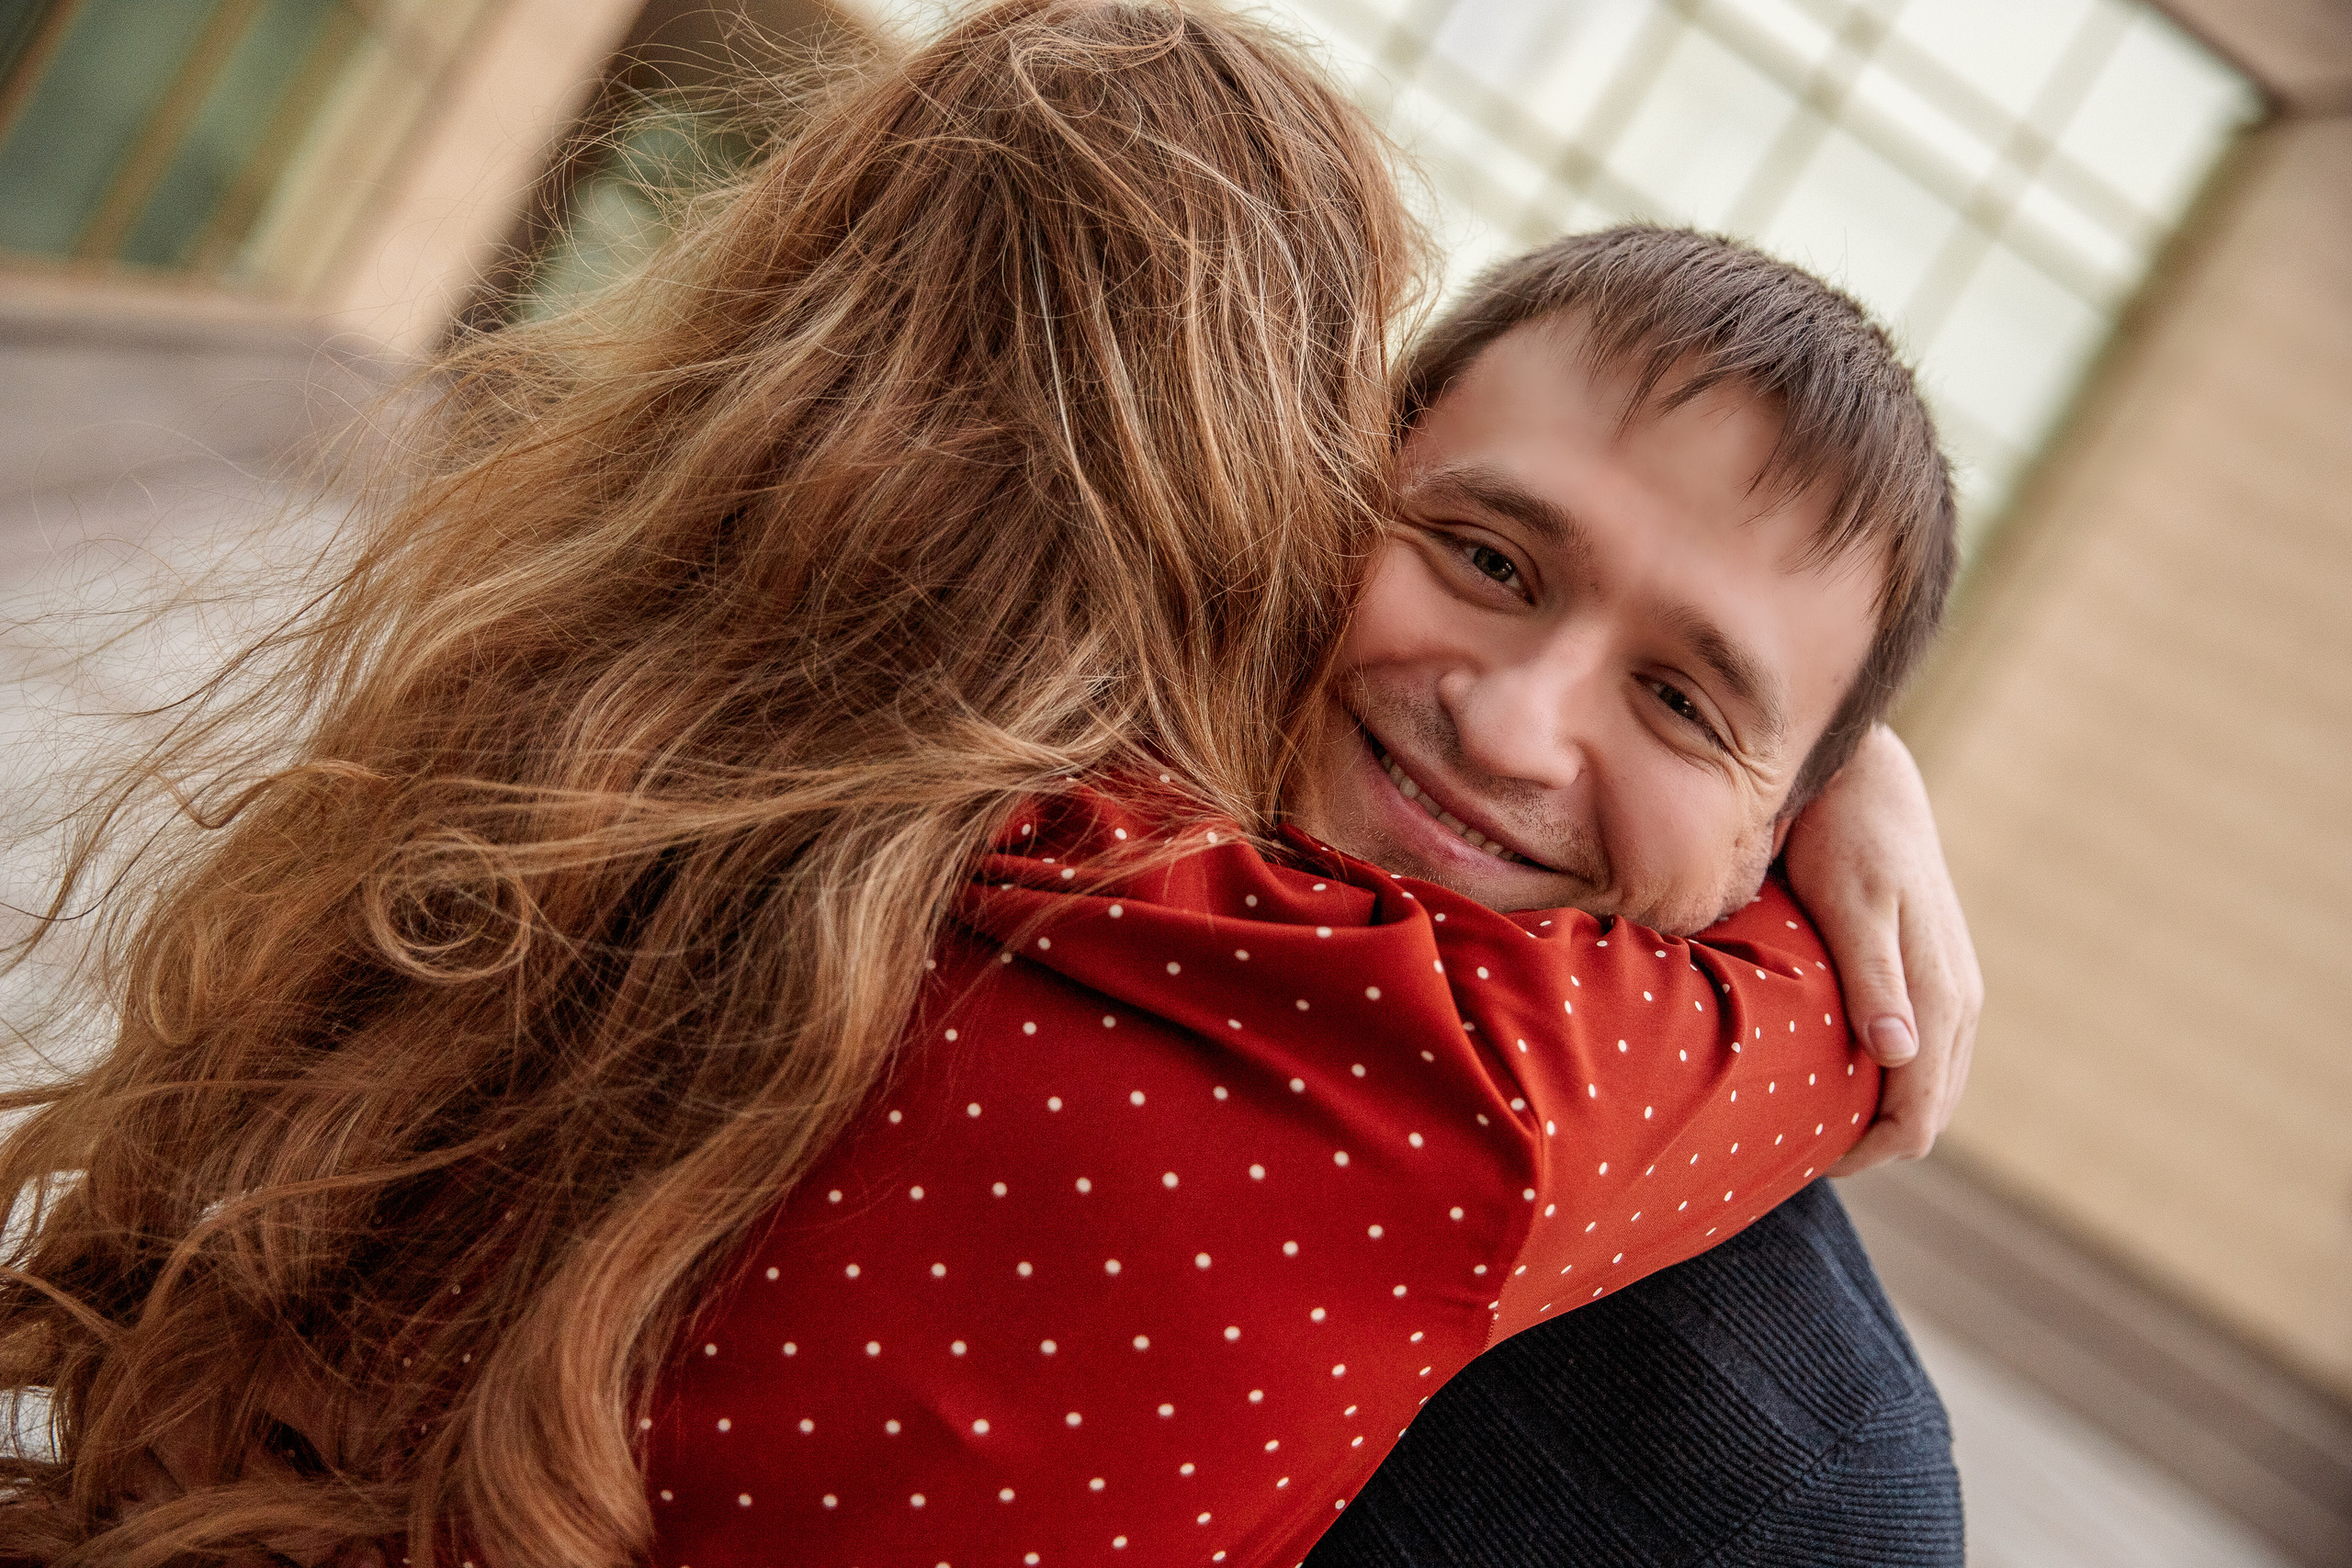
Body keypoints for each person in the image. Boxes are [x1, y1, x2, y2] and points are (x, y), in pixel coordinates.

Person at [0, 6, 1966, 1567]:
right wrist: (1812, 793)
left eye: (1686, 698)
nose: (1520, 725)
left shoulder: (1778, 1459)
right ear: (1300, 500)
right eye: (1480, 554)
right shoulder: (1466, 1090)